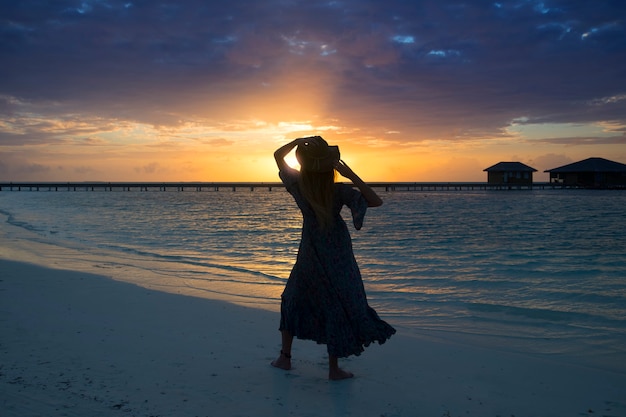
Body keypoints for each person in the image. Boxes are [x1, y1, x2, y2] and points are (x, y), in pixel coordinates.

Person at [271, 136, 396, 380]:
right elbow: (375, 201)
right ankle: (333, 369)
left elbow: (277, 155)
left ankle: (285, 358)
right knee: (336, 301)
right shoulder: (338, 190)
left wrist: (298, 140)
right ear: (331, 167)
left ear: (305, 165)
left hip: (310, 249)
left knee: (293, 297)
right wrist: (351, 174)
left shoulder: (299, 185)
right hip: (338, 250)